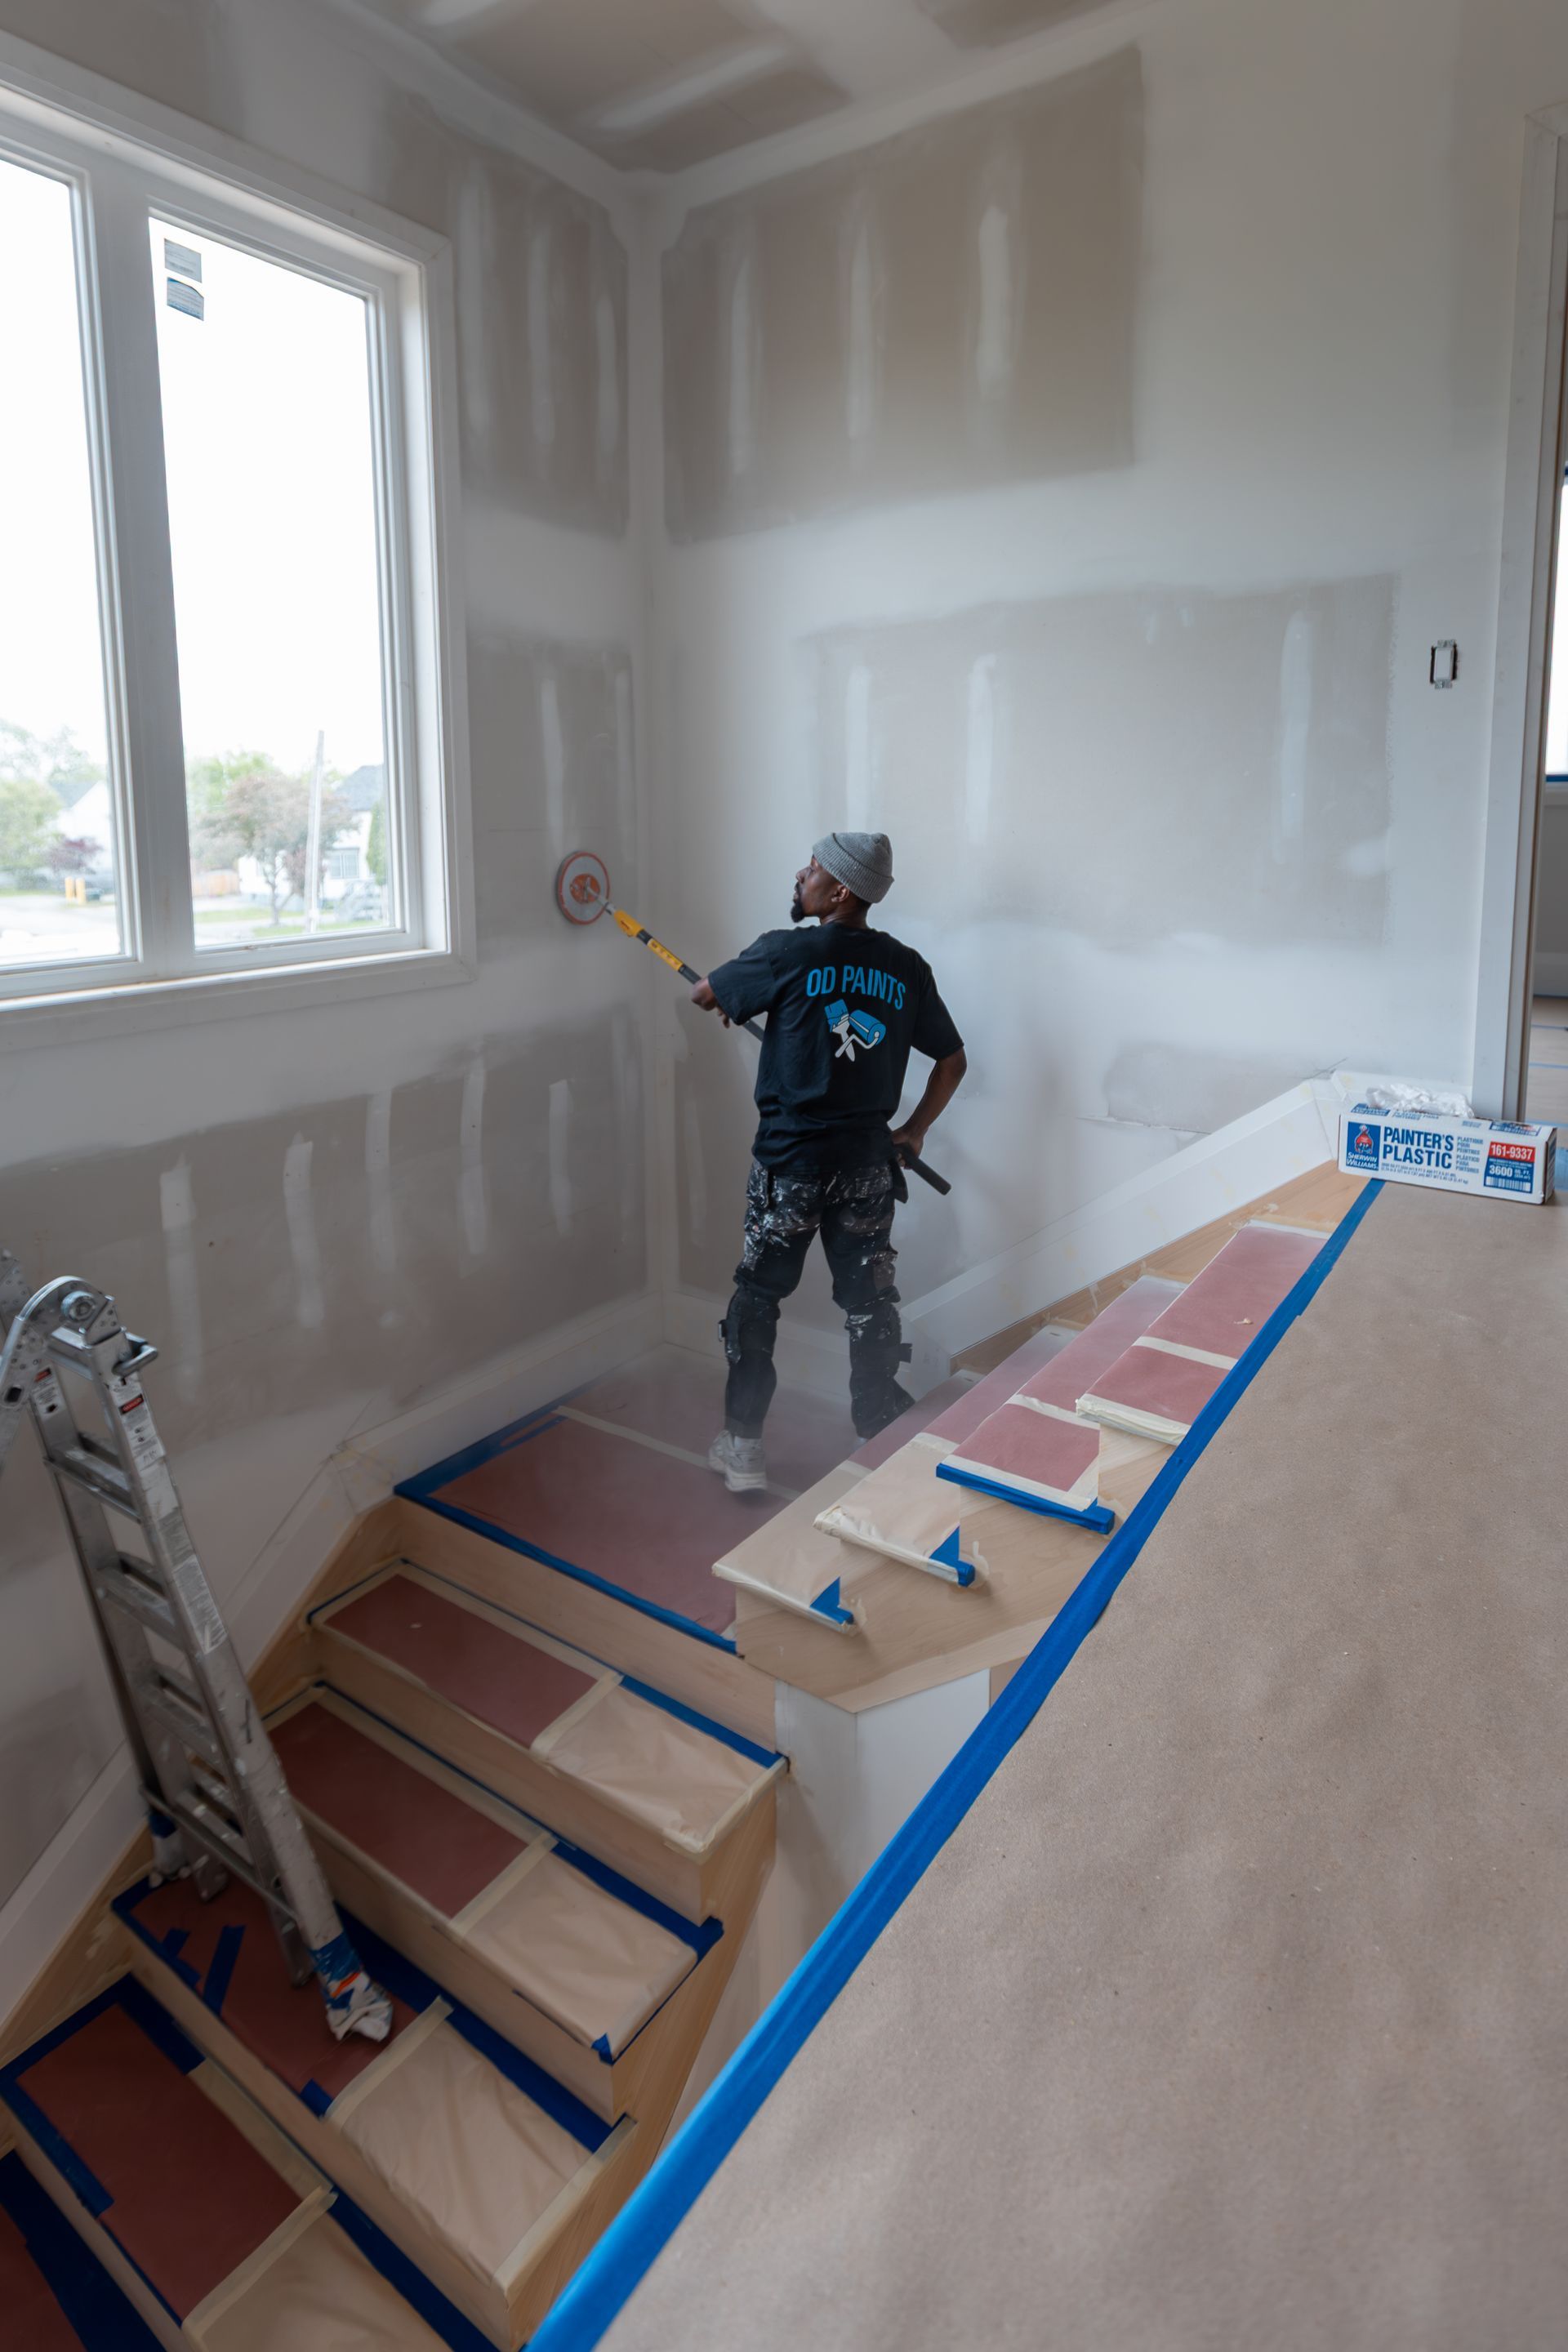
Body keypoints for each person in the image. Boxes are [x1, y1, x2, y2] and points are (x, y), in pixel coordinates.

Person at [691, 831, 967, 1493]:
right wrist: (916, 1131)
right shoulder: (905, 966)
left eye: (812, 869)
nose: (801, 875)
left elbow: (705, 994)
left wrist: (733, 995)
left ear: (839, 890)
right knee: (870, 1302)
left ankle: (744, 1448)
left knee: (758, 1299)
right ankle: (878, 1425)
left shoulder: (785, 951)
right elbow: (952, 1060)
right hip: (867, 1167)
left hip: (791, 1167)